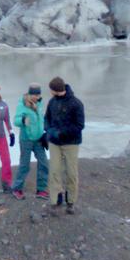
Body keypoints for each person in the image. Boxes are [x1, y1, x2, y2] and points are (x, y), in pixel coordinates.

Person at [43, 76, 85, 215]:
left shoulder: (76, 103)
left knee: (71, 173)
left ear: (55, 90)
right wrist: (48, 130)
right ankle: (55, 201)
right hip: (54, 143)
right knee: (54, 171)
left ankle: (71, 202)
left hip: (71, 143)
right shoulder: (52, 102)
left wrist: (61, 133)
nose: (50, 92)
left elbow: (79, 126)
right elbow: (46, 118)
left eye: (51, 89)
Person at [11, 84, 50, 199]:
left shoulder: (40, 104)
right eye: (34, 94)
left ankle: (41, 190)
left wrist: (45, 133)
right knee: (25, 165)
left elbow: (42, 120)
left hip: (39, 139)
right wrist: (23, 120)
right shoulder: (22, 104)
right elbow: (16, 120)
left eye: (38, 94)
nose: (36, 97)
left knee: (44, 163)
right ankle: (17, 189)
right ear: (29, 94)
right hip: (26, 139)